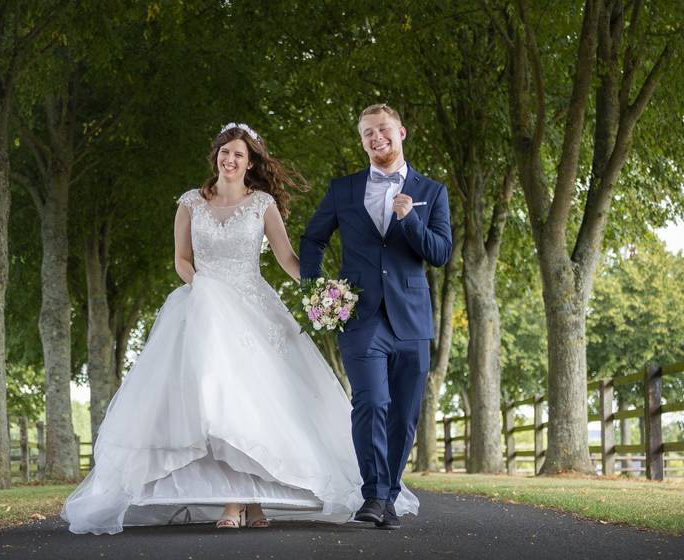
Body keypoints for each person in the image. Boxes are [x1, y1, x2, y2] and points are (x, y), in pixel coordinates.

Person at [61, 122, 399, 532]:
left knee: (254, 402)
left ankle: (248, 502)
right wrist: (202, 287)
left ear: (250, 161)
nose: (230, 159)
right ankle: (240, 501)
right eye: (225, 152)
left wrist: (321, 292)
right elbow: (182, 260)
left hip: (254, 306)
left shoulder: (262, 204)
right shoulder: (190, 202)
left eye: (239, 154)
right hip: (203, 302)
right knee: (212, 398)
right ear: (216, 157)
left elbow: (287, 259)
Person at [300, 104, 452, 530]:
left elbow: (440, 254)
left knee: (404, 413)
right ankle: (373, 495)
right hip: (360, 316)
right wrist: (317, 291)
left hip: (412, 318)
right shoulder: (343, 189)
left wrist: (410, 218)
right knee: (371, 402)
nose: (376, 138)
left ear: (400, 132)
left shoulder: (433, 192)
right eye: (368, 133)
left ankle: (388, 493)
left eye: (383, 129)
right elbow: (312, 239)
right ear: (363, 139)